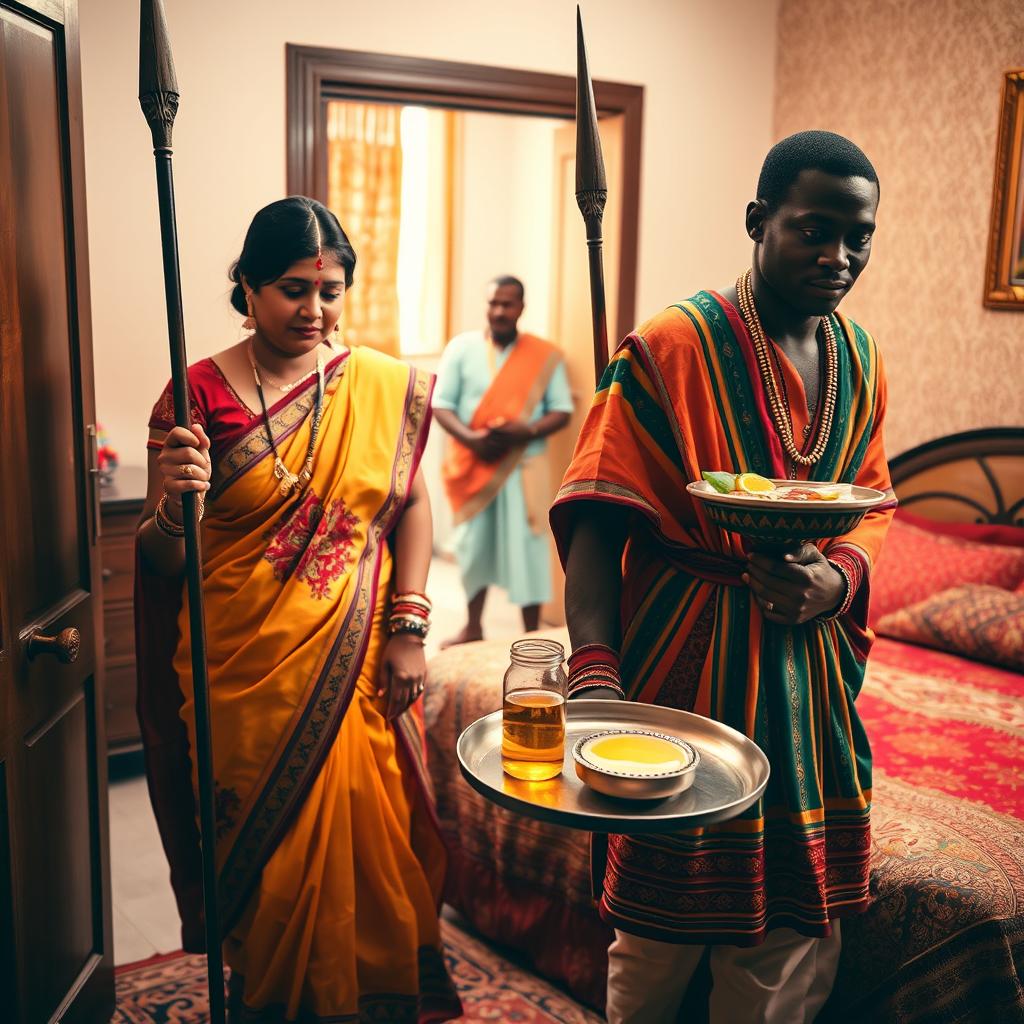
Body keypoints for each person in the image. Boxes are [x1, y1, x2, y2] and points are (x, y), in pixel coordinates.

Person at [550, 131, 896, 1023]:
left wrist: (837, 585)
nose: (839, 256)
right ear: (759, 221)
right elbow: (598, 508)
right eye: (814, 230)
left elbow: (872, 508)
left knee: (789, 934)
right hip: (686, 659)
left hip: (809, 678)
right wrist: (596, 679)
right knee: (659, 931)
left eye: (858, 236)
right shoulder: (671, 344)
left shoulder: (861, 359)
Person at [134, 196, 462, 1023]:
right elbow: (161, 554)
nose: (314, 311)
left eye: (331, 291)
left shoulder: (374, 387)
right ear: (246, 287)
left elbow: (411, 504)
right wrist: (176, 505)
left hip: (352, 659)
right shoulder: (196, 395)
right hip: (237, 671)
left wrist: (410, 626)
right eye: (292, 290)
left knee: (364, 825)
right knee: (265, 856)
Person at [433, 275, 574, 645]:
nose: (498, 311)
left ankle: (531, 636)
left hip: (523, 468)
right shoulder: (461, 349)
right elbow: (441, 404)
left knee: (527, 550)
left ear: (521, 308)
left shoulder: (544, 356)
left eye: (507, 304)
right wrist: (472, 440)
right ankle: (473, 625)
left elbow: (561, 410)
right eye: (493, 303)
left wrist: (524, 431)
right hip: (474, 463)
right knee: (473, 547)